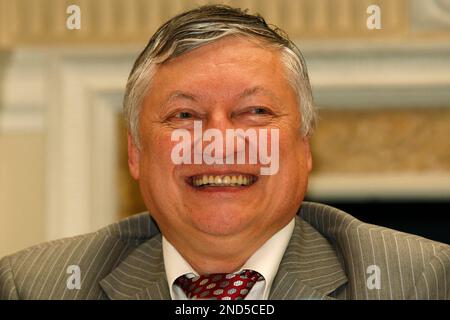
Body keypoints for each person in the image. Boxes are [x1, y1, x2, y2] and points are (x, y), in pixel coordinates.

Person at [1, 4, 449, 300]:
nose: (219, 143)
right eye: (183, 116)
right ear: (135, 153)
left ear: (304, 146)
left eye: (254, 111)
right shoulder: (36, 287)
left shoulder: (416, 281)